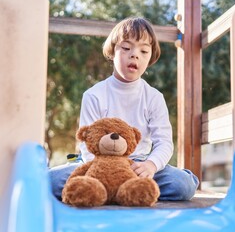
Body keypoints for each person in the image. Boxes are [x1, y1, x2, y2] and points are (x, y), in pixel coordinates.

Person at [50, 17, 199, 202]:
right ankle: (123, 191)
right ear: (113, 51)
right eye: (126, 48)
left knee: (183, 186)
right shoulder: (94, 94)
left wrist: (151, 166)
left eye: (144, 51)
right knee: (50, 181)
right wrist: (100, 171)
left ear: (150, 58)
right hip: (97, 163)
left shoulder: (154, 97)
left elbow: (164, 142)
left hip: (138, 164)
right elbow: (87, 142)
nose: (135, 55)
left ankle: (122, 190)